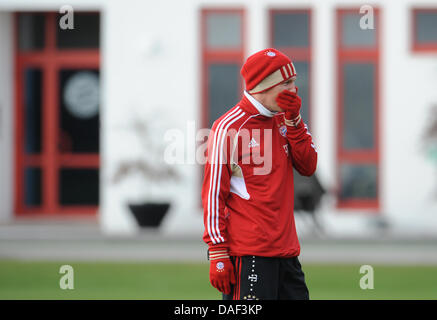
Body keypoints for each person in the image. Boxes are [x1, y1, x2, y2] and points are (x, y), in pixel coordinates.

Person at [201, 48, 317, 300]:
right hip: (249, 254)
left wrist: (295, 122)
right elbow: (212, 194)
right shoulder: (228, 127)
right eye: (287, 83)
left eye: (294, 82)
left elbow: (308, 166)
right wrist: (218, 251)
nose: (294, 90)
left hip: (287, 253)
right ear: (264, 86)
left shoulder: (287, 119)